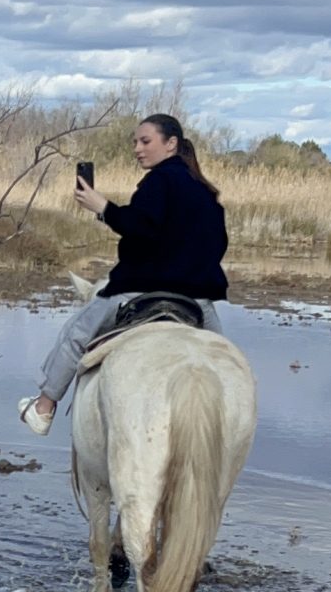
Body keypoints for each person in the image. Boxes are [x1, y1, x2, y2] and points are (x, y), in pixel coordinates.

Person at [18, 113, 229, 434]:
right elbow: (217, 244)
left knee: (76, 334)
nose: (137, 149)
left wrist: (102, 207)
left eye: (145, 141)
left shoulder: (159, 180)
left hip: (143, 289)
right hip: (197, 300)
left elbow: (141, 228)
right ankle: (224, 429)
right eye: (135, 142)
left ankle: (44, 407)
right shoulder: (204, 191)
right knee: (226, 366)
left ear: (171, 144)